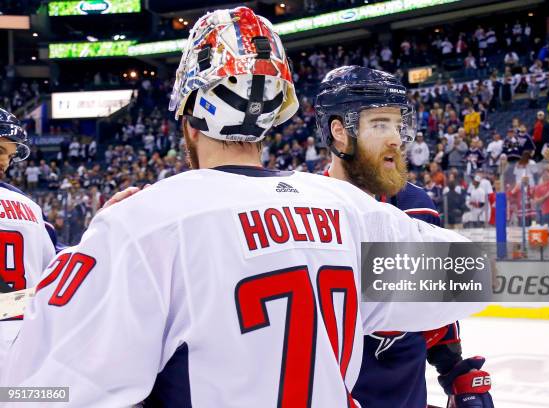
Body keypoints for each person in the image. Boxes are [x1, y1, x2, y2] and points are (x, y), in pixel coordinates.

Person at [1, 9, 482, 406]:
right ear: (275, 114)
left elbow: (36, 391)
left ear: (189, 117)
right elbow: (473, 278)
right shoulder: (350, 210)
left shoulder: (143, 223)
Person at [314, 65, 492, 408]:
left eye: (398, 124)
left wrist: (454, 372)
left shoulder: (415, 204)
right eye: (380, 124)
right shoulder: (306, 210)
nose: (395, 137)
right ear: (339, 131)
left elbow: (439, 305)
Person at [0, 108, 56, 373]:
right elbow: (55, 270)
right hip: (24, 348)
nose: (6, 163)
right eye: (1, 151)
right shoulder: (28, 205)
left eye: (9, 156)